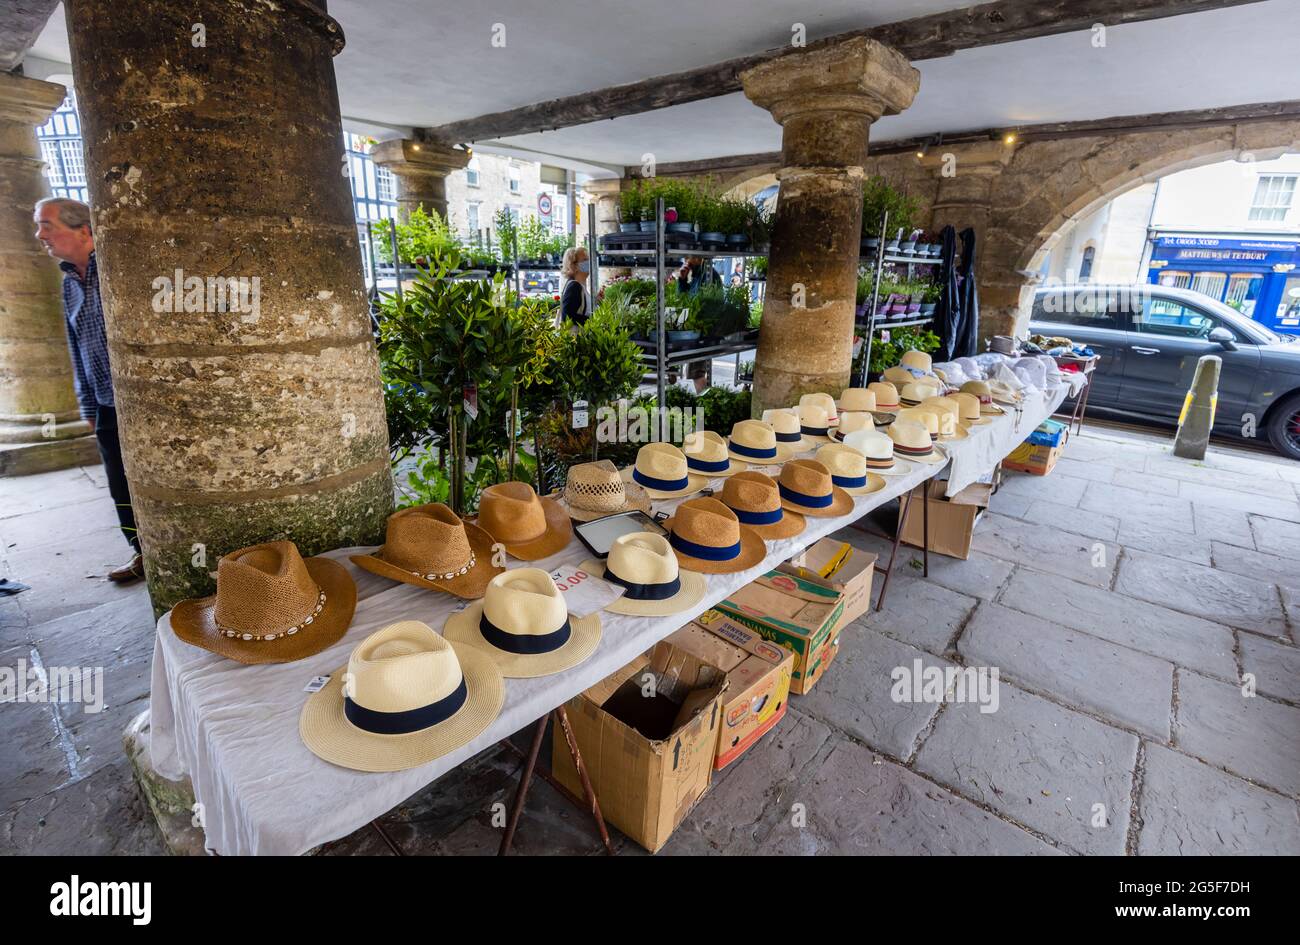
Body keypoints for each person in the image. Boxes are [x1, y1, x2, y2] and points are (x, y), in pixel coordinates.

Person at [34, 197, 142, 583]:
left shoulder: (118, 269)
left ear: (83, 230)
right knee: (118, 482)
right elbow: (75, 344)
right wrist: (87, 401)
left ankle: (172, 548)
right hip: (104, 400)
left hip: (142, 403)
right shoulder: (69, 284)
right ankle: (140, 551)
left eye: (47, 225)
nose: (40, 234)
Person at [559, 246, 591, 326]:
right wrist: (593, 320)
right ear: (574, 265)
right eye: (585, 260)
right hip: (575, 337)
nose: (589, 262)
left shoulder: (579, 285)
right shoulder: (574, 286)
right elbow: (567, 316)